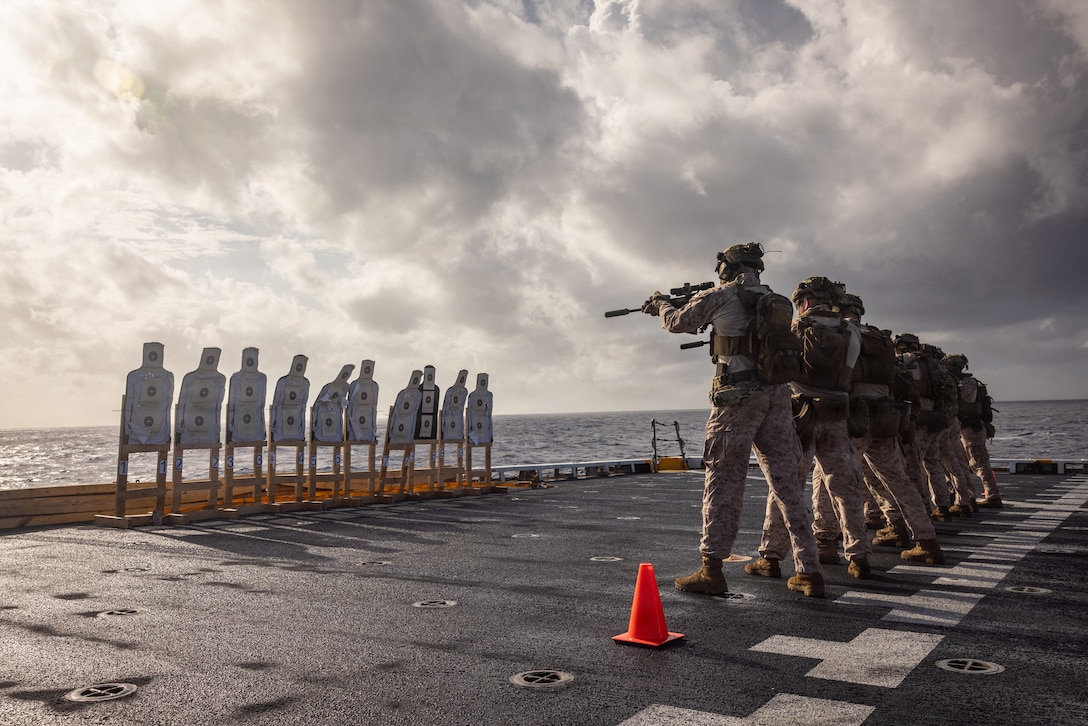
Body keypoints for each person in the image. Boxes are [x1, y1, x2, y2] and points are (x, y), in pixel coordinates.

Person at [645, 242, 825, 597]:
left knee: (723, 482)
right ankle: (809, 570)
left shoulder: (722, 294)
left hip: (737, 400)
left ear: (726, 269)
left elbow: (677, 323)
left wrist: (660, 304)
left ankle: (711, 569)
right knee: (788, 485)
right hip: (776, 398)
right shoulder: (777, 301)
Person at [763, 277, 874, 579]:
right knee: (846, 489)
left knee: (786, 488)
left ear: (806, 302)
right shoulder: (850, 331)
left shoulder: (794, 328)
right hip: (838, 414)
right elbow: (850, 373)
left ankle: (771, 557)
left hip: (801, 415)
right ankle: (859, 556)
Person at [835, 293, 944, 564]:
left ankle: (842, 545)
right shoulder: (881, 338)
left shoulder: (842, 333)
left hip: (855, 417)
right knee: (895, 478)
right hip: (885, 415)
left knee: (840, 480)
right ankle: (923, 539)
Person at [945, 354, 1002, 507]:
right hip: (966, 429)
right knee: (964, 463)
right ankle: (960, 494)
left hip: (971, 429)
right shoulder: (968, 382)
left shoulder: (967, 383)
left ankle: (993, 495)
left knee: (979, 463)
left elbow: (957, 400)